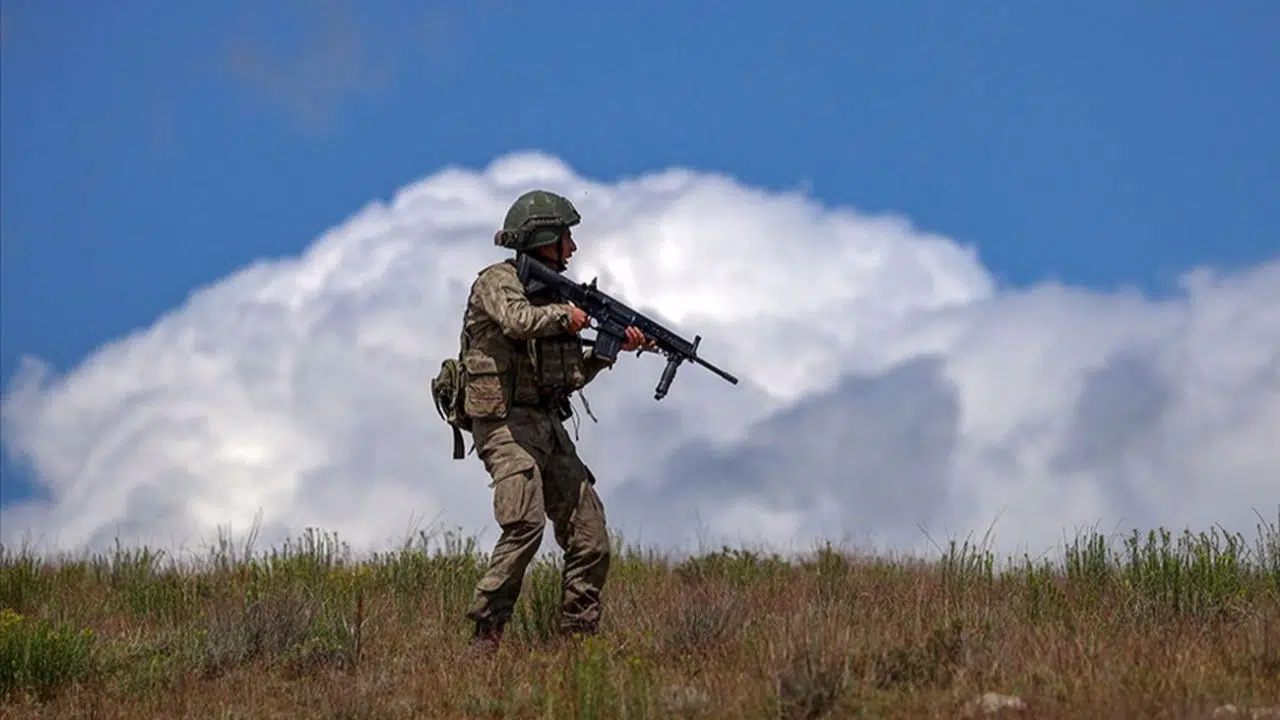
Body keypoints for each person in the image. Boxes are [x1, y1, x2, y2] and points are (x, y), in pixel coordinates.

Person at [457, 189, 652, 653]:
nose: (572, 248)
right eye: (565, 237)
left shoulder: (555, 299)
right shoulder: (497, 282)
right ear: (541, 237)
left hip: (546, 425)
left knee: (591, 535)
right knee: (524, 524)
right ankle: (485, 636)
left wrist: (609, 350)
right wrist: (568, 316)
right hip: (503, 425)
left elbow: (567, 379)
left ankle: (576, 643)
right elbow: (517, 320)